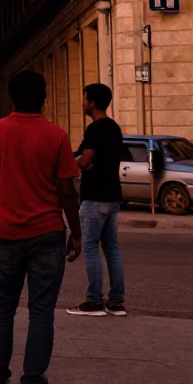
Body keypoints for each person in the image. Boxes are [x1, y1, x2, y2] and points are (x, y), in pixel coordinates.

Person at [0, 70, 81, 384]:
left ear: (11, 99)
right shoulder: (56, 136)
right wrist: (76, 231)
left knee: (2, 308)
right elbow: (67, 190)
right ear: (43, 98)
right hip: (48, 232)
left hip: (6, 231)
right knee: (41, 312)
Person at [66, 83, 126, 317]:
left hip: (95, 196)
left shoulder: (96, 129)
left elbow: (84, 160)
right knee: (111, 248)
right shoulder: (114, 128)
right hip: (113, 195)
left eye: (84, 99)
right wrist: (85, 161)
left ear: (91, 102)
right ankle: (116, 302)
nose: (82, 103)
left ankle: (94, 301)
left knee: (90, 247)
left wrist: (77, 163)